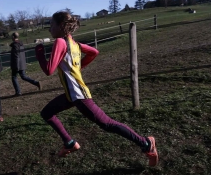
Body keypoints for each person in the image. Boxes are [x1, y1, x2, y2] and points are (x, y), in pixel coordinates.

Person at [34, 11, 158, 166]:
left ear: (60, 26)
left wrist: (39, 52)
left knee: (107, 124)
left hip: (78, 95)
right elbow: (94, 52)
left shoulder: (60, 42)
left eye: (51, 25)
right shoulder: (75, 44)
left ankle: (146, 143)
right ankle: (69, 143)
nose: (49, 29)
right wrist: (78, 68)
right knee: (47, 113)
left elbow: (48, 70)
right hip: (71, 94)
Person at [10, 32, 42, 96]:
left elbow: (16, 56)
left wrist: (16, 66)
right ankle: (36, 83)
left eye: (11, 36)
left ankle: (18, 92)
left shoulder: (15, 45)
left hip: (17, 65)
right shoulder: (21, 44)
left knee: (14, 77)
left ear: (13, 37)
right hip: (22, 64)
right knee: (23, 76)